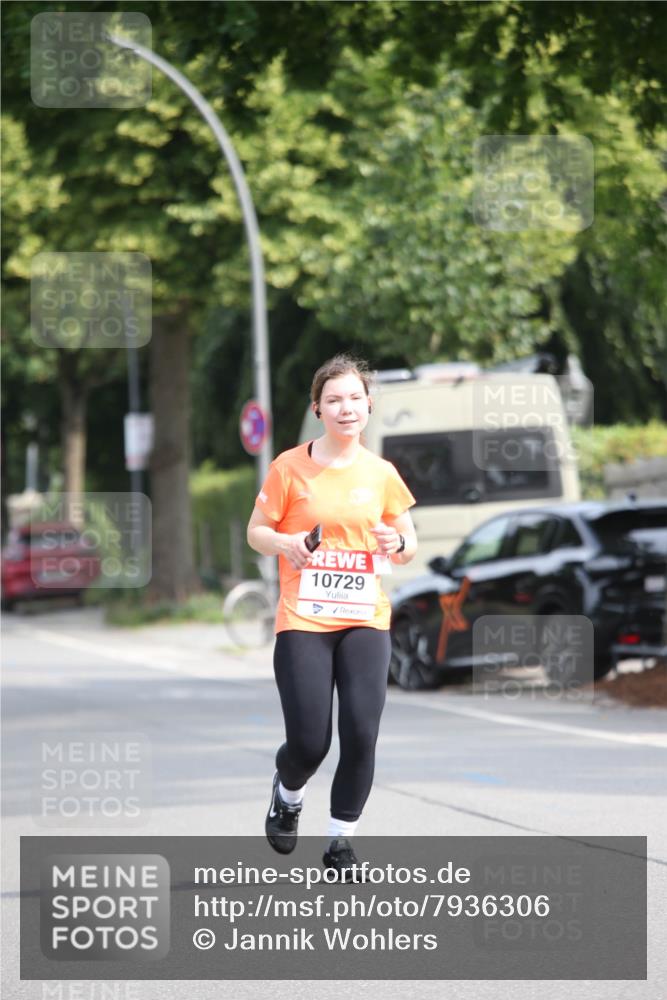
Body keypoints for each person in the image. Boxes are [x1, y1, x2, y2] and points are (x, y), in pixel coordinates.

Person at [247, 353, 417, 876]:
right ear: (318, 409)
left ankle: (341, 840)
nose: (346, 408)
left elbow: (407, 543)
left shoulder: (382, 473)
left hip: (365, 616)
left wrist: (397, 540)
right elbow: (256, 532)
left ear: (368, 405)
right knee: (309, 742)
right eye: (334, 400)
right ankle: (288, 791)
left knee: (362, 732)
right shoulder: (288, 467)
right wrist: (287, 541)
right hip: (304, 619)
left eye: (355, 399)